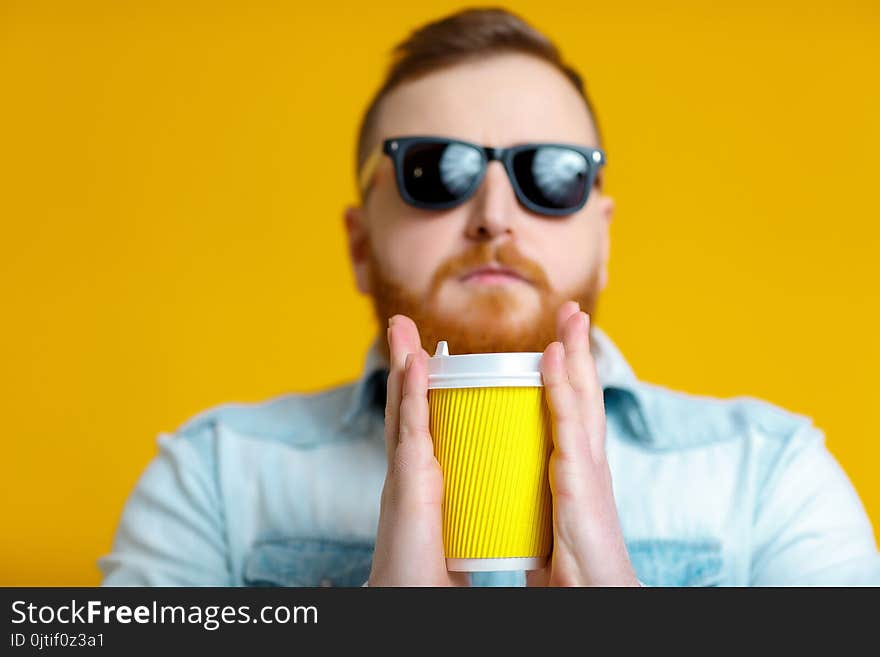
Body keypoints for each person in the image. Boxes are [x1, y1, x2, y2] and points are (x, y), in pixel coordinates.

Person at [99, 7, 880, 586]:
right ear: (360, 244)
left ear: (602, 238)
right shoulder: (215, 478)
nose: (495, 218)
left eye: (551, 174)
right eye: (435, 171)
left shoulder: (770, 478)